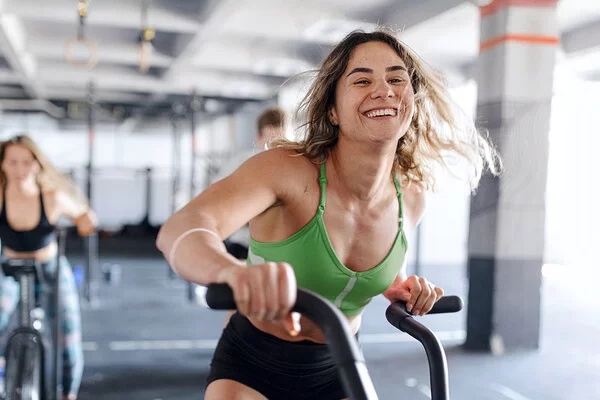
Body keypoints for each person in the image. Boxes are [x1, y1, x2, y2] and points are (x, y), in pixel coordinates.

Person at [157, 29, 501, 400]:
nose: (384, 89)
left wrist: (397, 283)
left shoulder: (412, 196)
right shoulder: (285, 171)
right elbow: (182, 228)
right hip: (254, 365)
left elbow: (363, 261)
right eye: (363, 79)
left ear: (411, 101)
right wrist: (231, 272)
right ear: (333, 110)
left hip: (338, 364)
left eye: (397, 78)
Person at [0, 134, 97, 400]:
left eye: (26, 162)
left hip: (50, 268)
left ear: (37, 164)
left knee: (67, 334)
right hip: (9, 268)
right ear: (3, 164)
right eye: (13, 162)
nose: (19, 170)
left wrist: (86, 221)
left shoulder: (51, 198)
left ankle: (68, 394)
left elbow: (84, 217)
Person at [212, 107, 287, 259]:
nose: (273, 150)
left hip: (277, 249)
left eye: (281, 142)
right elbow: (217, 198)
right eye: (270, 143)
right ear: (258, 139)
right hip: (243, 245)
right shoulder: (240, 163)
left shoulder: (291, 167)